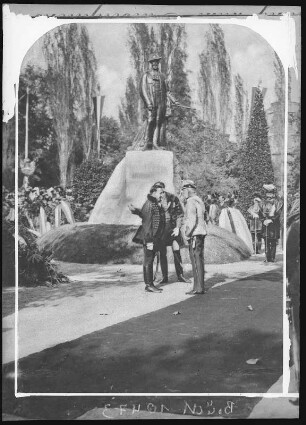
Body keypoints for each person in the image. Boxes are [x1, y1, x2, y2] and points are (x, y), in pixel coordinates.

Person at [130, 181, 188, 284]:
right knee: (162, 253)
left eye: (162, 190)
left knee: (176, 250)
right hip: (160, 230)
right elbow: (147, 215)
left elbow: (179, 214)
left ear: (163, 189)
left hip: (172, 227)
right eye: (159, 190)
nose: (161, 194)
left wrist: (178, 227)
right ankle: (165, 277)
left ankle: (180, 275)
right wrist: (137, 211)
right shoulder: (154, 201)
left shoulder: (173, 198)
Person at [140, 53, 179, 150]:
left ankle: (155, 143)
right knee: (150, 121)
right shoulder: (146, 75)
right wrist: (148, 102)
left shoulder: (162, 76)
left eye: (157, 61)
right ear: (150, 63)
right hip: (151, 103)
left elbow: (168, 91)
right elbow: (143, 90)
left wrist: (175, 101)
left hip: (161, 103)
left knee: (158, 122)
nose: (155, 63)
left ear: (158, 63)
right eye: (153, 62)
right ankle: (147, 143)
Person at [132, 183, 165, 293]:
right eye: (161, 193)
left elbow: (150, 219)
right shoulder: (150, 204)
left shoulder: (153, 203)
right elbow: (147, 224)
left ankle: (150, 284)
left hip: (154, 237)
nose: (162, 195)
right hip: (149, 238)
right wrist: (150, 240)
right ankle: (149, 285)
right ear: (154, 192)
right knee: (148, 260)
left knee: (150, 260)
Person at [181, 180, 207, 295]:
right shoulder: (199, 201)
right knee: (199, 259)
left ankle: (198, 288)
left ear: (188, 190)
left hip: (195, 233)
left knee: (195, 261)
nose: (183, 192)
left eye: (183, 190)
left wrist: (186, 234)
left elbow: (191, 221)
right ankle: (199, 286)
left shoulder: (191, 202)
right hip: (201, 232)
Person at [260, 184, 283, 263]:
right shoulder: (263, 203)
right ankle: (267, 257)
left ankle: (272, 258)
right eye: (267, 194)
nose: (269, 196)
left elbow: (278, 214)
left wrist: (271, 220)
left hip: (273, 224)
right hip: (265, 223)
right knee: (266, 241)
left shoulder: (278, 203)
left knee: (273, 241)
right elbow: (260, 213)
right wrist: (263, 220)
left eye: (271, 194)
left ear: (273, 194)